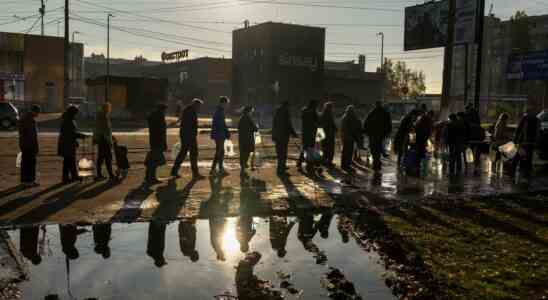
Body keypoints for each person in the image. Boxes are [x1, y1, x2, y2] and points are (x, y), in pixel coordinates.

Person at [171, 99, 204, 180]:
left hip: (186, 135)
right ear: (195, 105)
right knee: (193, 154)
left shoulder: (188, 110)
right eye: (199, 106)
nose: (199, 108)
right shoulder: (191, 112)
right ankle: (195, 174)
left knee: (183, 153)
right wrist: (192, 136)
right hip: (189, 136)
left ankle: (174, 171)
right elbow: (190, 125)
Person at [58, 105, 87, 184]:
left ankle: (70, 177)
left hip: (67, 143)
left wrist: (77, 140)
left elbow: (71, 133)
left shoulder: (68, 119)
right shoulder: (68, 120)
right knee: (69, 161)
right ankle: (70, 177)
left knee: (69, 161)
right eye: (75, 113)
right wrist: (82, 136)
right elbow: (72, 133)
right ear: (72, 113)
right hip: (67, 144)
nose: (76, 115)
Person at [364, 101, 392, 171]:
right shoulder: (385, 113)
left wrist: (367, 132)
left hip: (373, 134)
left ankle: (375, 162)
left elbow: (366, 123)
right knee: (379, 148)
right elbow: (388, 123)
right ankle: (377, 162)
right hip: (381, 134)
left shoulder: (372, 113)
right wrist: (387, 132)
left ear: (375, 105)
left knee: (374, 148)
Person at [272, 101, 297, 176]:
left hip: (277, 136)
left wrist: (274, 135)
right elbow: (288, 124)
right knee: (283, 152)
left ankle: (281, 167)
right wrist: (293, 133)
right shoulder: (285, 112)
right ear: (287, 106)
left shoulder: (277, 112)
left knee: (280, 152)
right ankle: (281, 169)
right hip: (283, 136)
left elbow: (274, 123)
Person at [145, 103, 168, 184]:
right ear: (162, 110)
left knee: (153, 160)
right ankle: (151, 178)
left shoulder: (153, 116)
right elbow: (162, 131)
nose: (166, 112)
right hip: (158, 141)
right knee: (156, 161)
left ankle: (148, 176)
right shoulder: (160, 117)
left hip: (153, 140)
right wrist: (164, 143)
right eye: (165, 110)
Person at [512, 110, 540, 177]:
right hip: (530, 142)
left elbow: (518, 130)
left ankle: (513, 171)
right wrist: (536, 141)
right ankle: (527, 173)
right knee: (528, 157)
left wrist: (515, 140)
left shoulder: (525, 118)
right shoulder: (537, 119)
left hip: (523, 142)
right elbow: (537, 131)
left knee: (518, 156)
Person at [18, 104, 41, 187]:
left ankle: (25, 180)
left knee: (25, 163)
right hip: (29, 145)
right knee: (30, 163)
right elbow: (32, 135)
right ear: (35, 112)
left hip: (24, 144)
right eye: (38, 112)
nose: (38, 114)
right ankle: (29, 181)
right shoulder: (30, 120)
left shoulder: (24, 118)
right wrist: (35, 146)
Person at [93, 103, 115, 181]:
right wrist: (110, 140)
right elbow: (105, 130)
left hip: (101, 140)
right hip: (104, 141)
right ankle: (111, 175)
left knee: (101, 158)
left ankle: (100, 175)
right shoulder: (103, 117)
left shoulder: (100, 116)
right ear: (106, 108)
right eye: (109, 108)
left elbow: (97, 129)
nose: (110, 109)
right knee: (108, 158)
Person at [297, 99, 320, 174]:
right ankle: (309, 165)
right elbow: (316, 122)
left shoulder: (304, 111)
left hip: (305, 133)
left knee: (305, 148)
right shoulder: (312, 111)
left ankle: (299, 162)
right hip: (311, 133)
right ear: (313, 105)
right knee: (310, 150)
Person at [210, 96, 231, 176]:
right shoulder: (219, 111)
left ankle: (220, 168)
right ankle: (213, 169)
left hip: (219, 134)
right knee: (219, 151)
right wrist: (226, 132)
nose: (227, 105)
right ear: (223, 103)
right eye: (226, 104)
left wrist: (226, 132)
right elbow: (221, 124)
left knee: (221, 151)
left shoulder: (220, 110)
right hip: (219, 134)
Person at [238, 105, 259, 177]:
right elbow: (255, 128)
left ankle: (243, 169)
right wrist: (256, 126)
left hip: (242, 139)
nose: (252, 112)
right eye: (252, 111)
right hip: (248, 139)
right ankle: (243, 171)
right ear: (249, 111)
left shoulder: (241, 118)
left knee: (243, 154)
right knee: (246, 154)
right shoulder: (248, 118)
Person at [340, 106, 363, 172]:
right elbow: (354, 128)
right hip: (349, 137)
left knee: (345, 151)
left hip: (345, 137)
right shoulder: (350, 118)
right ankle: (347, 166)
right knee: (348, 152)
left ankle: (343, 165)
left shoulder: (344, 117)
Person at [414, 110, 434, 175]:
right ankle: (421, 167)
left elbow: (416, 127)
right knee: (422, 152)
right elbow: (429, 130)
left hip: (419, 138)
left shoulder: (421, 119)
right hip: (423, 138)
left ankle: (417, 166)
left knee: (418, 152)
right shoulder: (428, 120)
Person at [320, 102, 337, 167]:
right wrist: (336, 129)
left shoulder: (322, 114)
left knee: (324, 148)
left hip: (323, 134)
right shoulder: (329, 115)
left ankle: (324, 161)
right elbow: (331, 124)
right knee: (330, 149)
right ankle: (329, 162)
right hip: (329, 134)